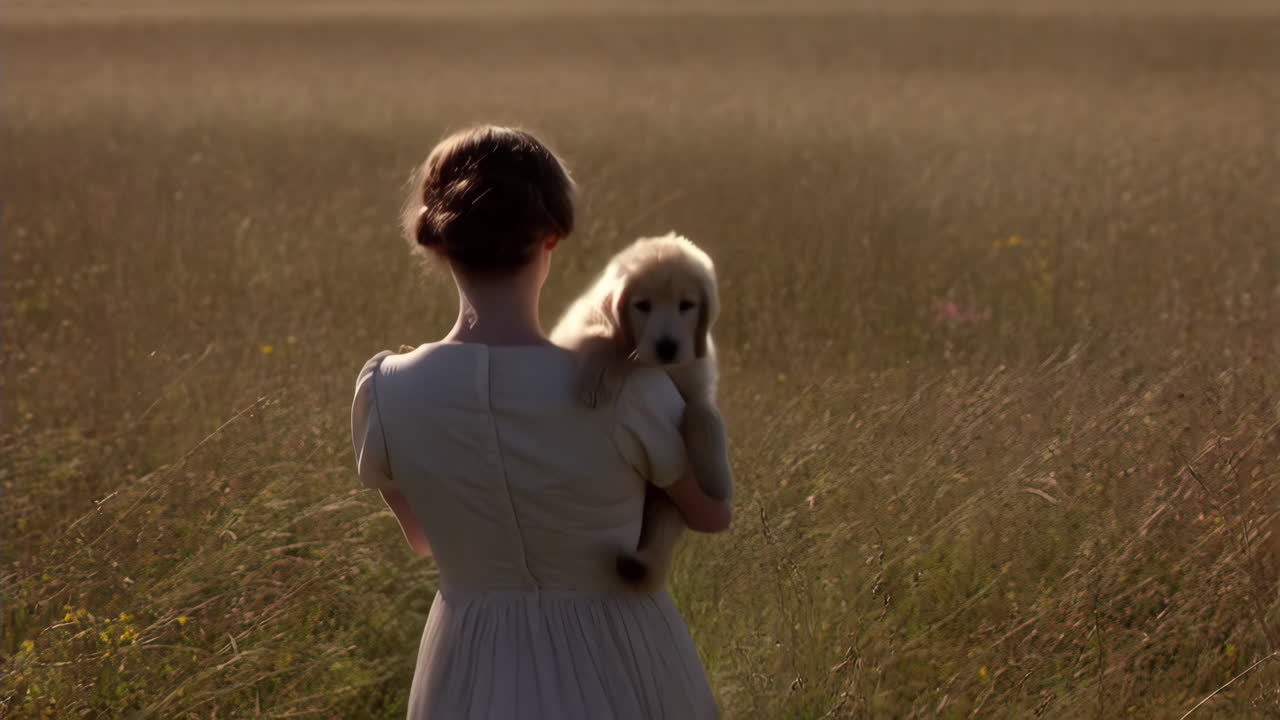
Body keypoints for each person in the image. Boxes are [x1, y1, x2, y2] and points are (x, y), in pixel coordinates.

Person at [351, 125, 731, 719]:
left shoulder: (387, 391)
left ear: (438, 241)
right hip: (620, 656)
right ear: (552, 234)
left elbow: (422, 538)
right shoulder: (630, 390)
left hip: (469, 661)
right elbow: (710, 514)